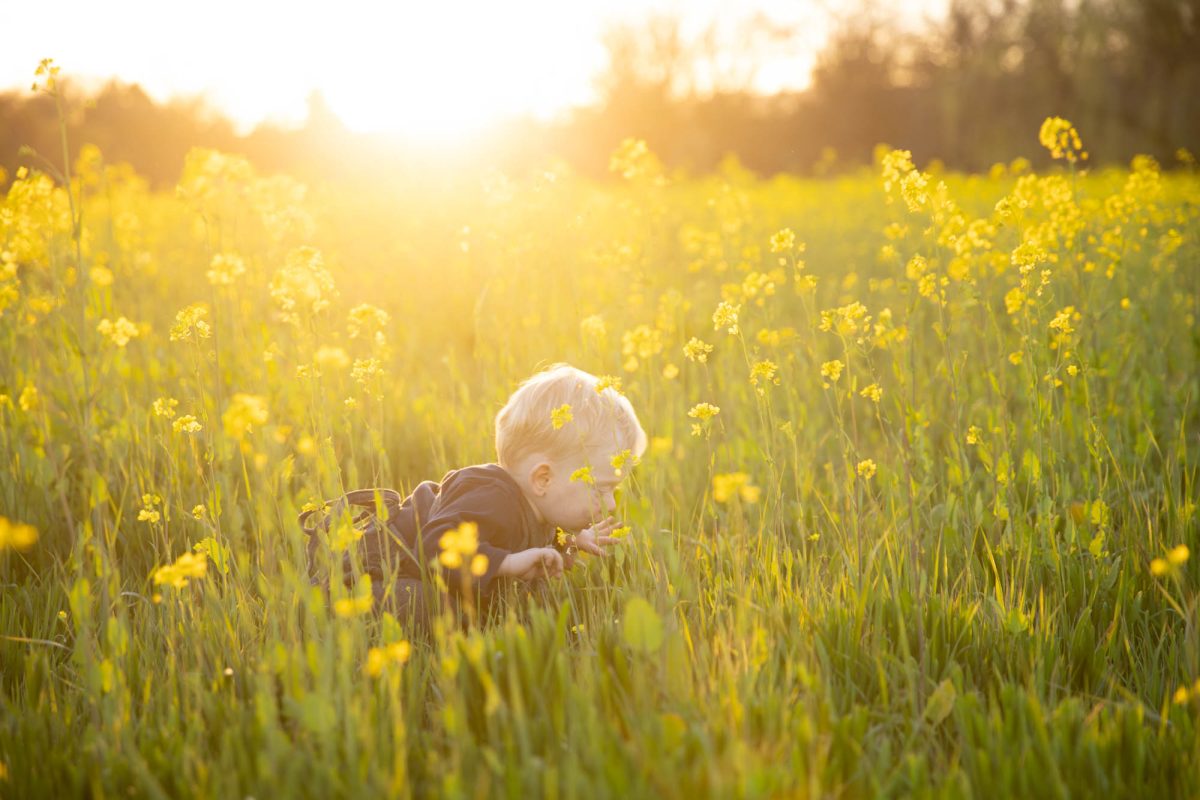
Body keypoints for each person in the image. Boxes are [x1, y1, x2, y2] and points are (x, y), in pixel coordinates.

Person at [303, 363, 647, 631]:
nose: (611, 504)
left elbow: (530, 544)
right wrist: (508, 563)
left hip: (412, 578)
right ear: (543, 478)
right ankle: (323, 613)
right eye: (600, 488)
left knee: (511, 605)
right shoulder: (492, 496)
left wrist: (569, 543)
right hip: (371, 581)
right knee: (441, 609)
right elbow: (435, 548)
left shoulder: (538, 507)